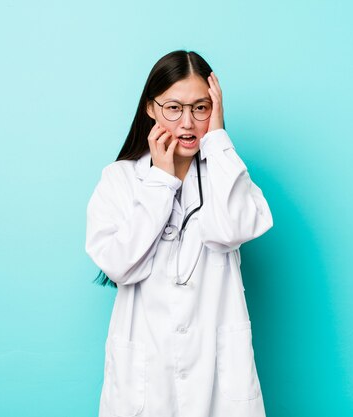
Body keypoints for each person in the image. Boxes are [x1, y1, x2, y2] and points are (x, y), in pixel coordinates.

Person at [85, 50, 273, 417]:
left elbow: (232, 228)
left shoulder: (225, 173)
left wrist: (218, 140)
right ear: (150, 108)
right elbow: (120, 267)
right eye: (173, 107)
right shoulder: (120, 180)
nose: (187, 122)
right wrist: (161, 181)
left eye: (201, 108)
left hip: (217, 372)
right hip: (145, 374)